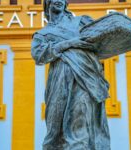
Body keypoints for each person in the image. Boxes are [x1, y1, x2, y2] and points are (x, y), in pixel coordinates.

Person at [31, 0, 111, 149]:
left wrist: (129, 30)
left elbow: (105, 35)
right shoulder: (42, 34)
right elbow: (39, 55)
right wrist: (69, 43)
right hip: (59, 81)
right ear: (47, 3)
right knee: (57, 130)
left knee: (81, 120)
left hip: (85, 78)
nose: (59, 1)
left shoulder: (81, 22)